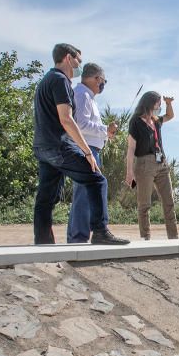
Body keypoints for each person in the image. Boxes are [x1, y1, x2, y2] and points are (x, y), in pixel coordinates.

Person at [31, 43, 128, 245]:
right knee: (97, 180)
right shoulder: (60, 80)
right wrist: (87, 152)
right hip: (59, 145)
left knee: (46, 198)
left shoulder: (46, 81)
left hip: (42, 146)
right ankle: (100, 232)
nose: (79, 66)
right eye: (79, 61)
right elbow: (67, 119)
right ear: (69, 58)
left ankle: (43, 243)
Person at [66, 62, 118, 243]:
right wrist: (105, 130)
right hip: (86, 150)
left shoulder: (87, 96)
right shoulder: (82, 95)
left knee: (86, 194)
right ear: (96, 78)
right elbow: (80, 124)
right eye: (103, 81)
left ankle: (78, 237)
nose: (102, 85)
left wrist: (106, 133)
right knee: (86, 194)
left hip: (91, 149)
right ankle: (79, 239)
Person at [125, 91, 178, 240]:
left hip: (162, 163)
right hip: (144, 164)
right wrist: (129, 172)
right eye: (158, 104)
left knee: (169, 202)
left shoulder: (156, 121)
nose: (159, 107)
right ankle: (145, 239)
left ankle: (174, 238)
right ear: (149, 103)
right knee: (144, 205)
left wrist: (168, 104)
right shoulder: (135, 121)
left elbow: (170, 116)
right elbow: (131, 148)